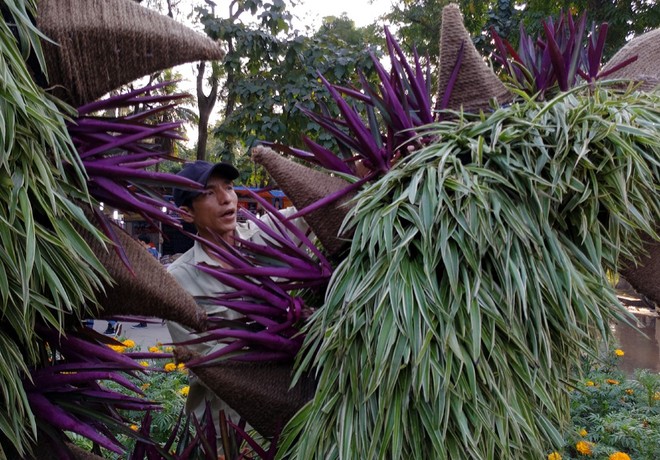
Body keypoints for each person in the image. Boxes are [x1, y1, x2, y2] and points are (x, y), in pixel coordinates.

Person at [166, 160, 308, 430]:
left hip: (290, 422)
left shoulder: (265, 237)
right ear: (186, 213)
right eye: (209, 192)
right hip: (224, 432)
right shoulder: (177, 280)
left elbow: (317, 208)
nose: (225, 198)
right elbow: (209, 363)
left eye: (229, 187)